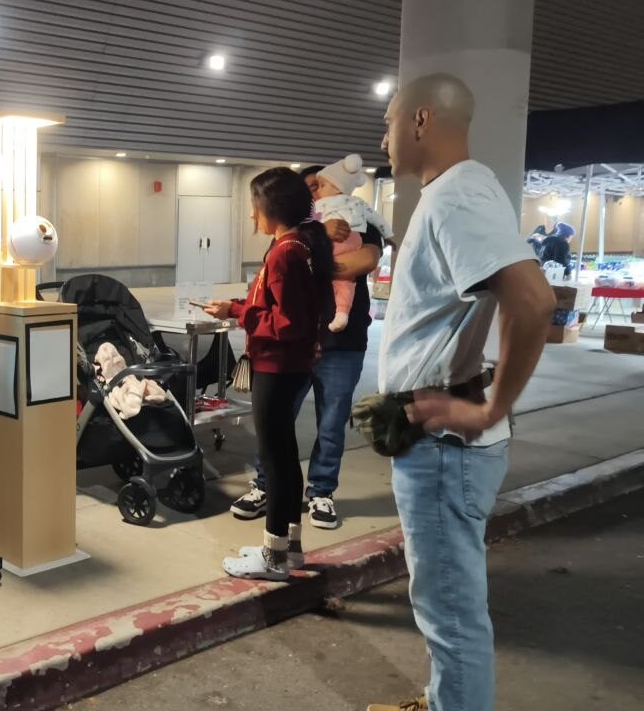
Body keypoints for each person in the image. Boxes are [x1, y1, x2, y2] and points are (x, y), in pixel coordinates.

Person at [367, 74, 555, 711]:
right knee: (443, 600)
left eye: (389, 121)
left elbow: (532, 301)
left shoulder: (456, 195)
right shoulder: (458, 191)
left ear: (421, 121)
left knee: (450, 614)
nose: (384, 136)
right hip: (436, 435)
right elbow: (505, 299)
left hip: (444, 445)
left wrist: (490, 407)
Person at [230, 166, 385, 530]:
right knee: (276, 422)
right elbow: (282, 274)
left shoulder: (356, 217)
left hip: (343, 341)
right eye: (306, 189)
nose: (313, 194)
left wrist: (310, 258)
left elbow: (366, 260)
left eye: (316, 186)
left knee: (331, 422)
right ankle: (264, 484)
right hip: (295, 346)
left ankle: (321, 493)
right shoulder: (292, 234)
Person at [203, 167, 335, 581]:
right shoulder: (300, 246)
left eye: (254, 207)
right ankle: (287, 548)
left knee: (276, 461)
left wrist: (238, 312)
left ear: (271, 208)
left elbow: (287, 323)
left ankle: (274, 556)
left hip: (277, 367)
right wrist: (242, 304)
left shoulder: (285, 253)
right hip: (289, 367)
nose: (251, 216)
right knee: (284, 458)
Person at [313, 153, 393, 332]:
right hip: (303, 338)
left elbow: (366, 260)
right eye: (313, 188)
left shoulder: (314, 216)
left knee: (346, 281)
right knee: (346, 282)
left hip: (346, 342)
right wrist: (389, 235)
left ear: (336, 187)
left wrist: (311, 267)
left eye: (320, 186)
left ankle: (341, 314)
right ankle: (342, 313)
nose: (317, 192)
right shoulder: (359, 205)